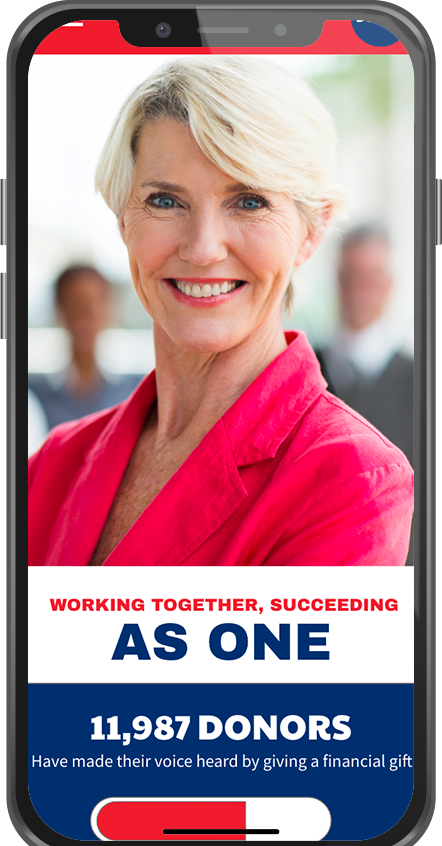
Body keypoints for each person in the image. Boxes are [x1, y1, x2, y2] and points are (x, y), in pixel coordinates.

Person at [28, 57, 413, 567]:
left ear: (311, 230)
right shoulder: (54, 463)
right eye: (165, 201)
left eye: (249, 201)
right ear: (123, 219)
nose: (203, 248)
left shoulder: (351, 478)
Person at [317, 226, 413, 465]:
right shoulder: (309, 367)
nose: (358, 291)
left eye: (371, 279)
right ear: (338, 282)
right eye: (350, 277)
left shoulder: (421, 383)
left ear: (389, 284)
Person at [28, 266, 143, 428]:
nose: (84, 314)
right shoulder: (34, 395)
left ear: (109, 311)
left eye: (93, 303)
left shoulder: (137, 392)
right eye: (74, 302)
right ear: (59, 309)